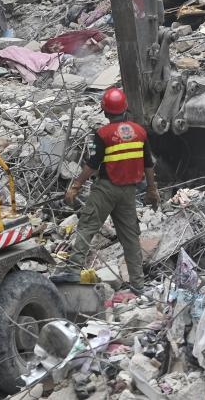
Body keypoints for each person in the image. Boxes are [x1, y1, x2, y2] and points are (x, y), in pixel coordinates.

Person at [56, 87, 160, 293]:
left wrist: (75, 186)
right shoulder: (140, 132)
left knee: (88, 225)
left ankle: (73, 269)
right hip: (129, 192)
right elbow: (149, 164)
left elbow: (92, 165)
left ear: (105, 111)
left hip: (106, 188)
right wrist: (152, 189)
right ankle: (138, 284)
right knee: (130, 237)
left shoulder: (103, 134)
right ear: (126, 108)